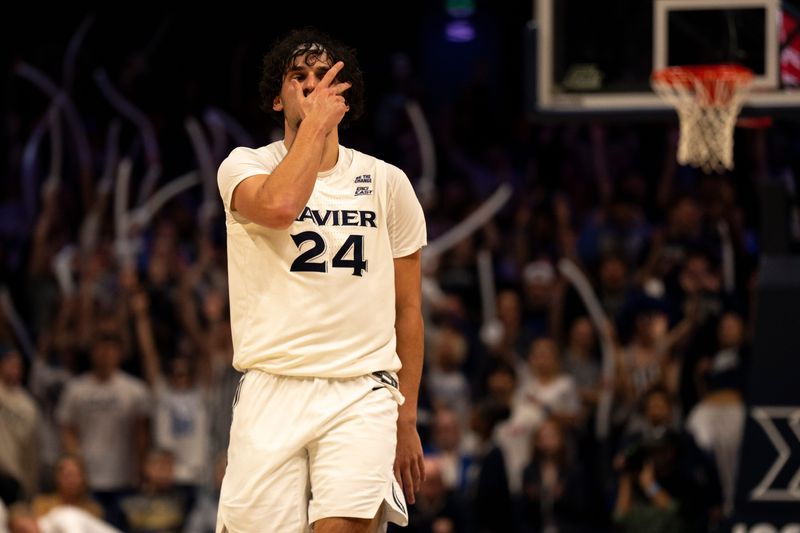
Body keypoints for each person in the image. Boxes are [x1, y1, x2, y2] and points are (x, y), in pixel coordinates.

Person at [215, 27, 427, 533]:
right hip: (272, 384)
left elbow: (409, 309)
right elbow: (280, 207)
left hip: (360, 389)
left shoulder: (387, 182)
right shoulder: (244, 166)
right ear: (276, 97)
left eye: (325, 77)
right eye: (298, 77)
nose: (312, 86)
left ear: (346, 97)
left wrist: (407, 416)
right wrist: (313, 127)